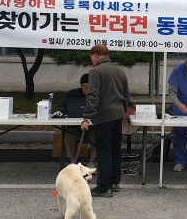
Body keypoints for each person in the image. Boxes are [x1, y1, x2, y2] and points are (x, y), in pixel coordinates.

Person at [81, 45, 131, 198]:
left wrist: (87, 116)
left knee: (104, 152)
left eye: (91, 57)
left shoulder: (96, 72)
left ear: (95, 55)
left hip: (103, 116)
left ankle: (104, 187)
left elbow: (93, 95)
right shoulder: (120, 71)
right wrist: (122, 110)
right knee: (115, 150)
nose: (91, 60)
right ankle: (115, 182)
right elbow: (126, 95)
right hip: (118, 115)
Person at [52, 73, 96, 165]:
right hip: (75, 128)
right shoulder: (73, 93)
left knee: (97, 136)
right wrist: (60, 111)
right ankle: (73, 162)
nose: (88, 89)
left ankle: (92, 161)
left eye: (90, 87)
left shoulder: (97, 95)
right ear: (81, 86)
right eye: (85, 87)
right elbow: (64, 105)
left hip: (92, 127)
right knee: (69, 136)